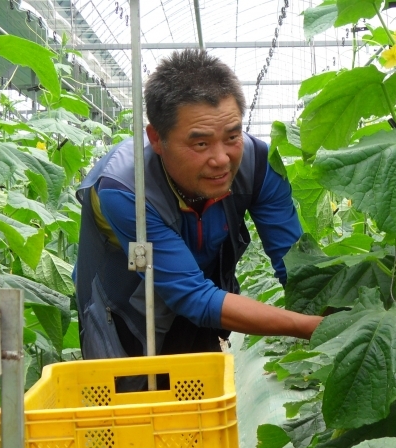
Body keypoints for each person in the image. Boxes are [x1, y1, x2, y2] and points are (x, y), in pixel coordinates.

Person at [74, 49, 322, 359]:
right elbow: (191, 296)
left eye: (232, 137)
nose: (221, 160)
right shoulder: (126, 188)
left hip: (204, 302)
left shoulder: (259, 165)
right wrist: (309, 326)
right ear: (156, 138)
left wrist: (334, 312)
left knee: (197, 386)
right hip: (125, 309)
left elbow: (295, 266)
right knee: (131, 390)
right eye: (200, 143)